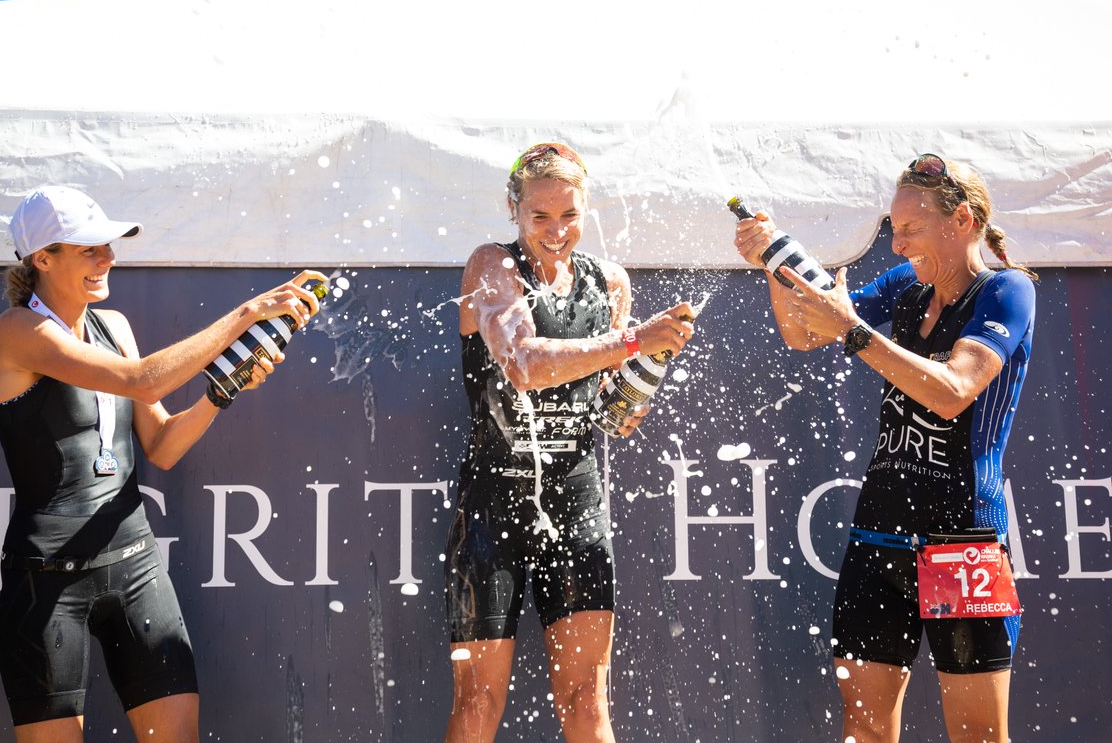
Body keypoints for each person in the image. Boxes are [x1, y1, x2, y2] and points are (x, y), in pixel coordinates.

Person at [0, 185, 327, 742]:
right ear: (42, 259)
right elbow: (141, 379)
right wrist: (248, 313)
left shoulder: (114, 326)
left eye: (109, 246)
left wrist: (222, 392)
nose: (108, 259)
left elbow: (163, 444)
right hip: (45, 585)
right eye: (90, 249)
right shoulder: (16, 332)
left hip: (136, 567)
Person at [735, 154, 1036, 743]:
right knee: (866, 728)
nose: (898, 248)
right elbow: (802, 333)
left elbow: (953, 391)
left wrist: (851, 330)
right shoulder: (905, 285)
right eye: (894, 230)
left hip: (964, 541)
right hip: (878, 536)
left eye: (912, 230)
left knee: (978, 734)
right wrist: (773, 263)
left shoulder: (1007, 290)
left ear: (965, 220)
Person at [442, 142, 696, 742]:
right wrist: (637, 342)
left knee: (587, 700)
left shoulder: (609, 283)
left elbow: (610, 415)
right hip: (492, 499)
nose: (557, 231)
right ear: (514, 209)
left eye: (570, 215)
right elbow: (525, 364)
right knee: (477, 700)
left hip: (576, 497)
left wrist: (642, 379)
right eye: (540, 216)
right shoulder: (491, 267)